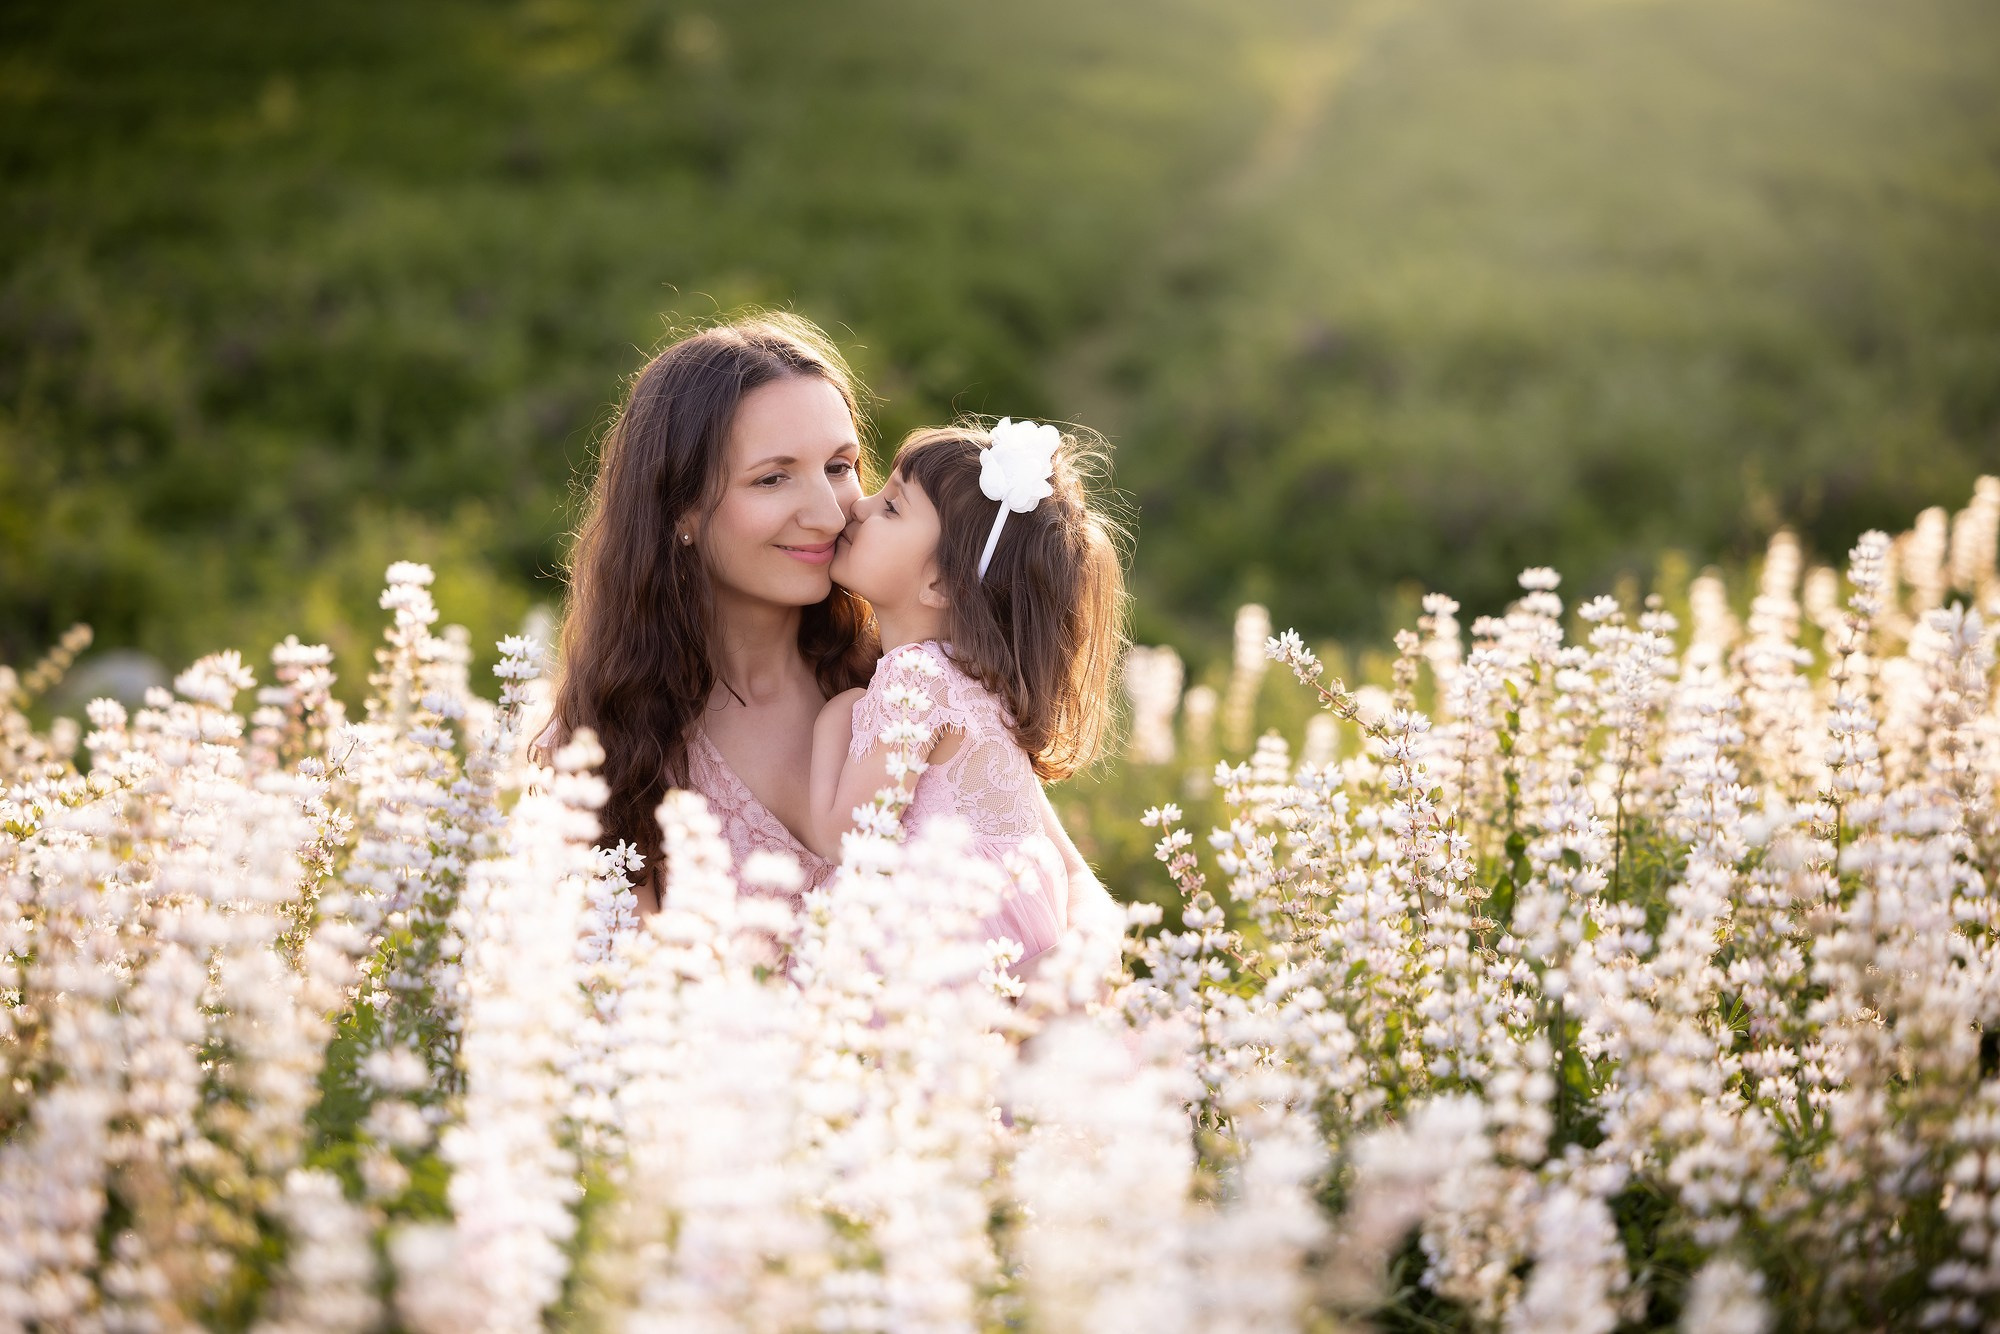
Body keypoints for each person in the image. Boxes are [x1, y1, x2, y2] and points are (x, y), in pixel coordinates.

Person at [547, 316, 1117, 941]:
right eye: (772, 478)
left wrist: (1057, 990)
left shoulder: (913, 675)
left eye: (841, 467)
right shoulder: (606, 738)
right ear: (678, 508)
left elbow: (1070, 889)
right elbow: (621, 986)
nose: (827, 513)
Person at [806, 417, 1126, 971]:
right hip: (1018, 939)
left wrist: (836, 717)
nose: (857, 507)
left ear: (942, 585)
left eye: (891, 507)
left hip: (953, 961)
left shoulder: (914, 678)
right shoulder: (984, 683)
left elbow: (847, 840)